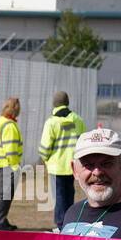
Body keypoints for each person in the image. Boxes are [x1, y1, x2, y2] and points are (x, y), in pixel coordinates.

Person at [38, 91, 86, 232]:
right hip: (72, 166)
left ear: (54, 104)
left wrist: (46, 159)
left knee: (59, 197)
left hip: (56, 166)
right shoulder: (77, 120)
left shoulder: (51, 122)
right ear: (67, 102)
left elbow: (44, 147)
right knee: (69, 195)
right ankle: (69, 222)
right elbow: (82, 142)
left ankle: (60, 225)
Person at [0, 96, 23, 231]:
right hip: (8, 165)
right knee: (5, 195)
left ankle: (1, 219)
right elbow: (10, 148)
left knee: (3, 194)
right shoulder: (9, 126)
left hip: (0, 162)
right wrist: (15, 166)